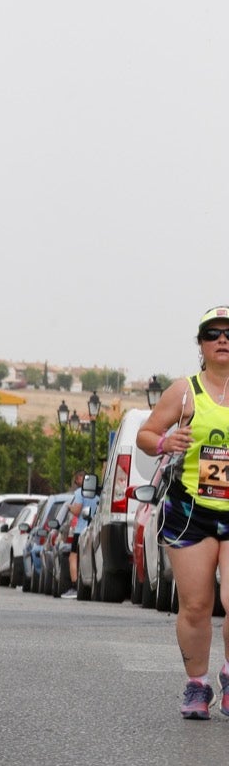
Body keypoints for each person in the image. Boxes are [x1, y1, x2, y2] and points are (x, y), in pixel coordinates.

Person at [136, 305, 229, 719]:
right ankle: (198, 684)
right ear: (201, 344)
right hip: (192, 509)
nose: (223, 340)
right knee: (196, 605)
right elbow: (146, 434)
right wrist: (164, 443)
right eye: (213, 334)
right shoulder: (185, 392)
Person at [61, 472, 98, 598]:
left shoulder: (79, 493)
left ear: (77, 480)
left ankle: (74, 586)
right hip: (94, 529)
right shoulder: (98, 494)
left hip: (81, 530)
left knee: (73, 557)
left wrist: (69, 506)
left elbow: (77, 510)